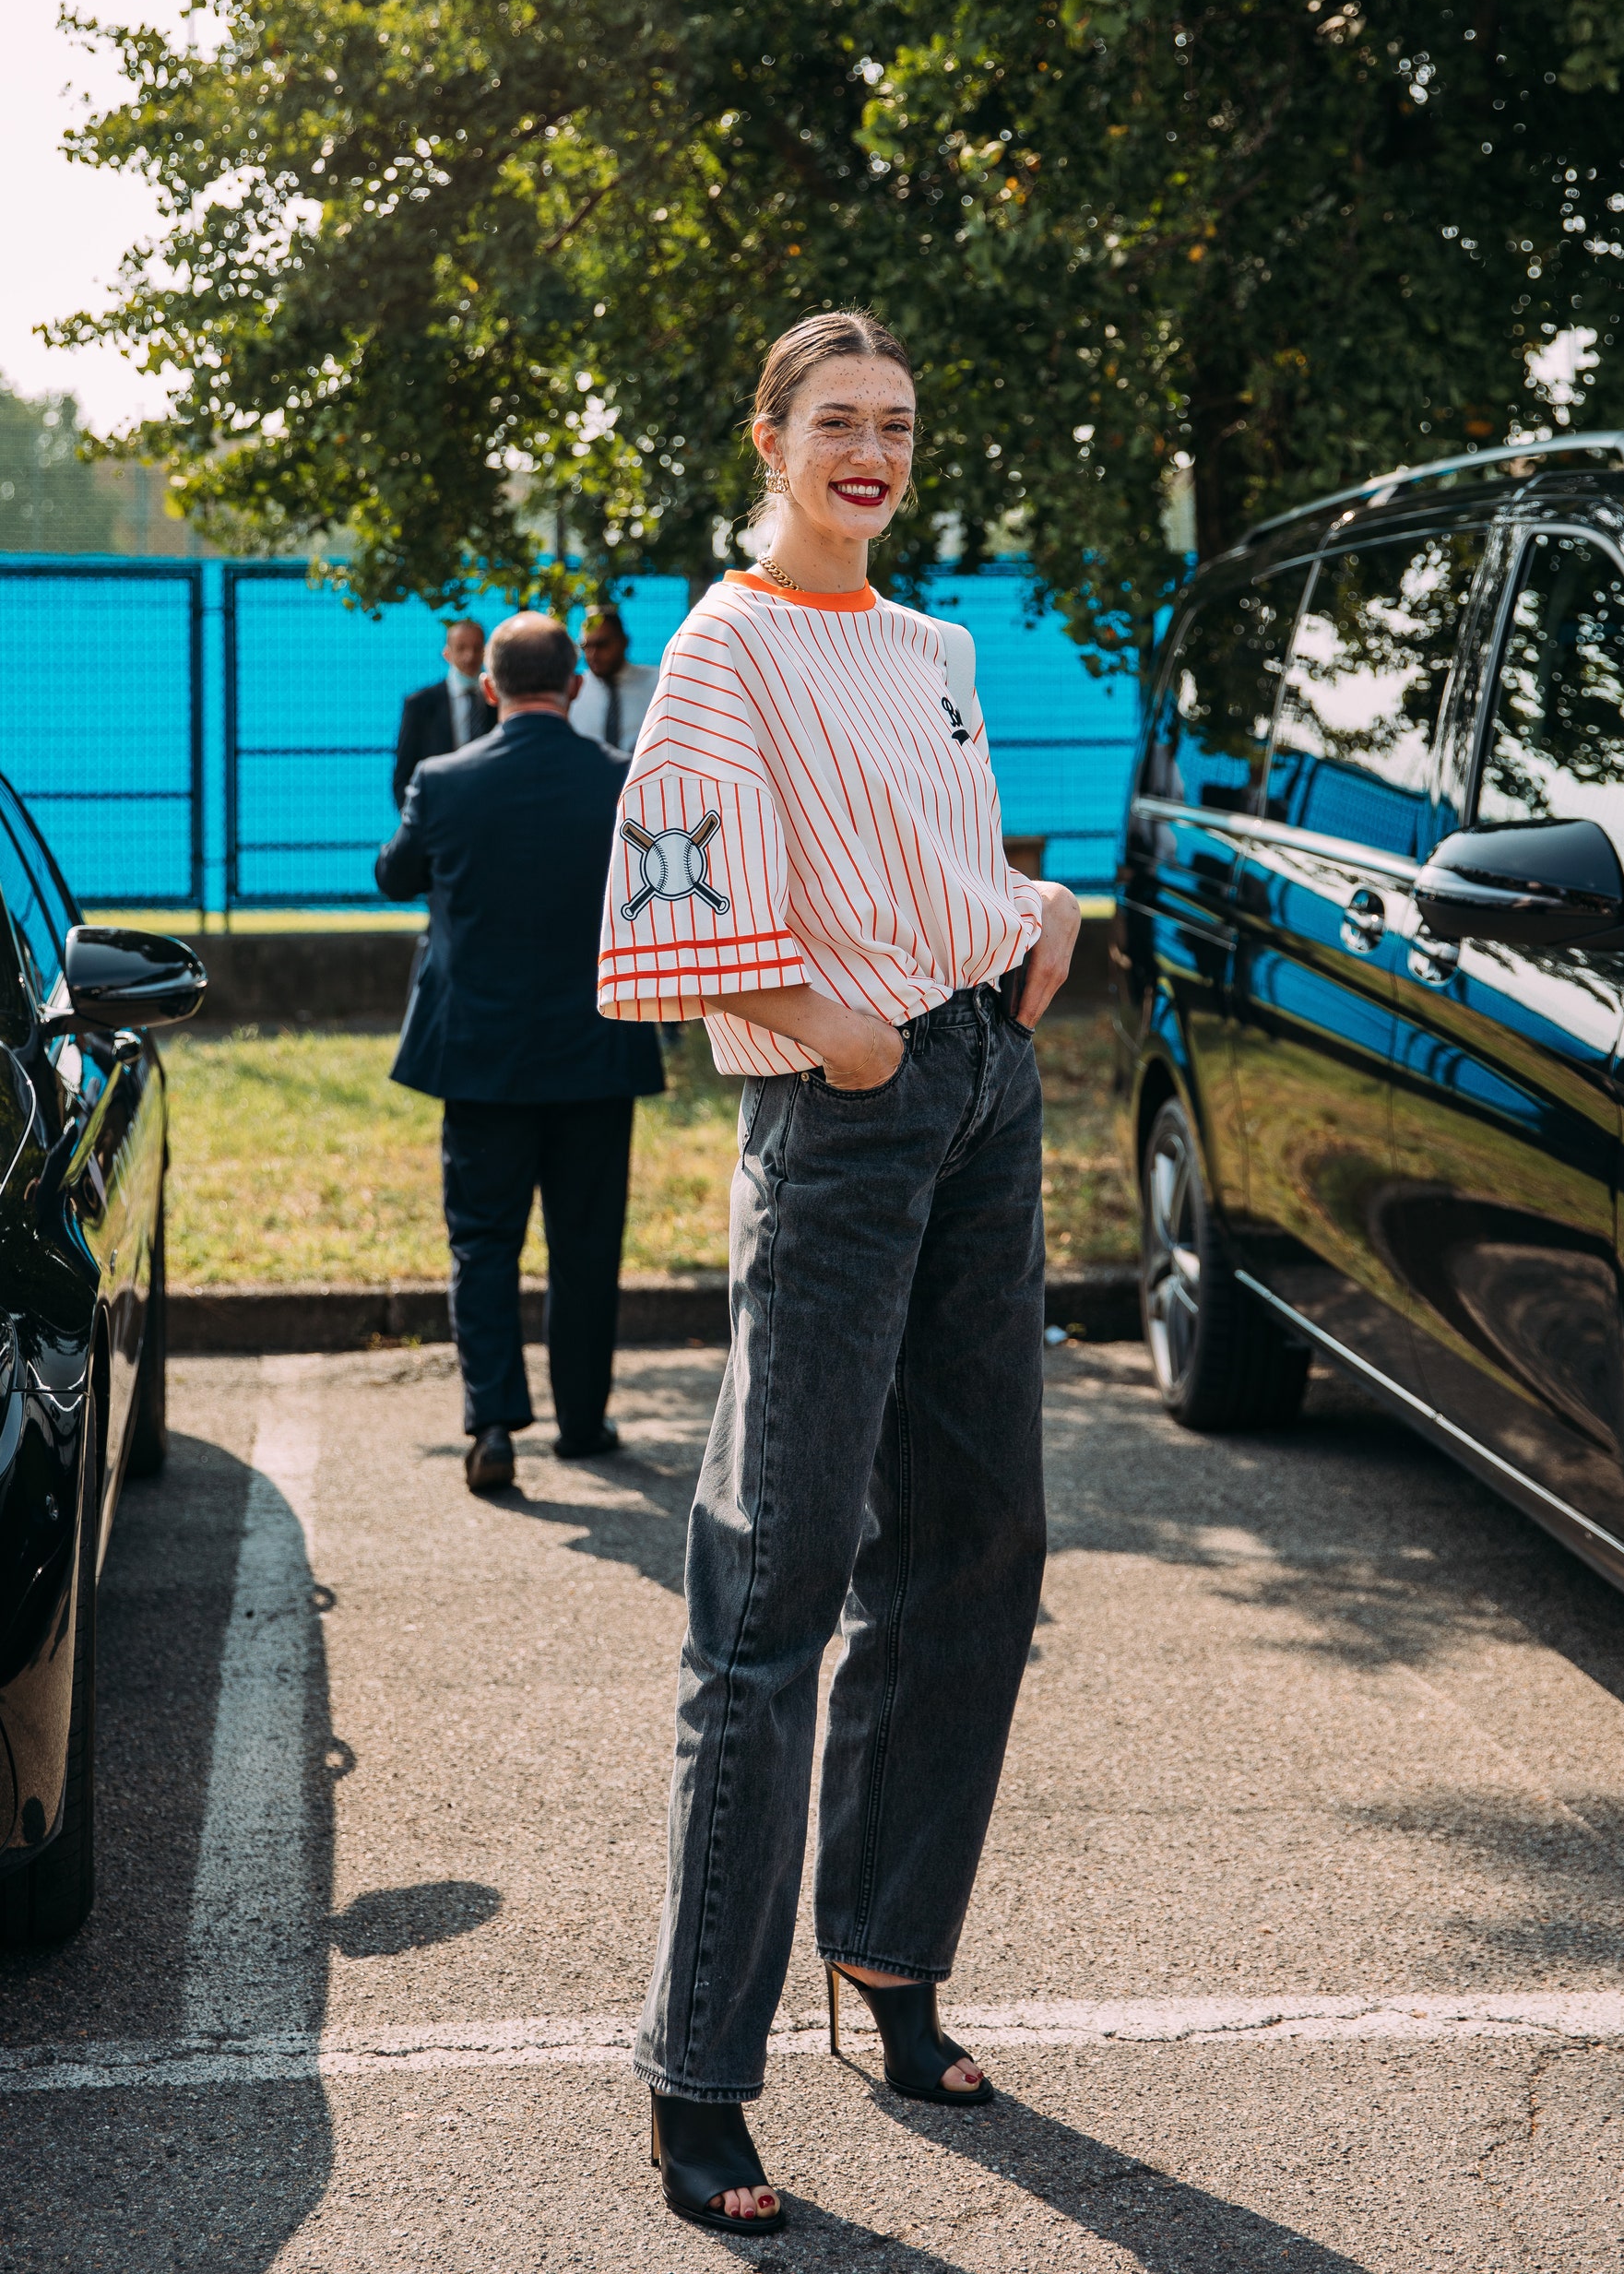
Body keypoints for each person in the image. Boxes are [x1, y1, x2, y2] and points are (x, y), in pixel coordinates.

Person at [598, 309, 1081, 2234]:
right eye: (838, 426)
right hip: (848, 1113)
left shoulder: (931, 647)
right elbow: (665, 904)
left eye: (893, 425)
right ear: (773, 438)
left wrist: (1034, 919)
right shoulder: (726, 651)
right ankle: (696, 2075)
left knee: (982, 1542)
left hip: (982, 1085)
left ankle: (888, 1952)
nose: (869, 454)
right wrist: (839, 1031)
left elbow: (933, 848)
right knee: (772, 1585)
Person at [376, 612, 664, 1493]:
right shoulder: (623, 783)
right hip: (595, 1050)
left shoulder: (443, 781)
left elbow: (395, 875)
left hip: (482, 1055)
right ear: (576, 687)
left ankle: (494, 1426)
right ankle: (582, 1423)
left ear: (489, 689)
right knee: (586, 1246)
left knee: (484, 1242)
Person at [393, 617, 492, 806]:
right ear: (447, 653)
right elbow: (403, 774)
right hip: (440, 811)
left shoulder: (497, 702)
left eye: (476, 648)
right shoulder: (421, 704)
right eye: (461, 648)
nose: (469, 656)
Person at [568, 605, 658, 755]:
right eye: (586, 646)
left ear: (623, 642)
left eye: (601, 644)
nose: (592, 654)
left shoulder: (657, 683)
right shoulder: (574, 691)